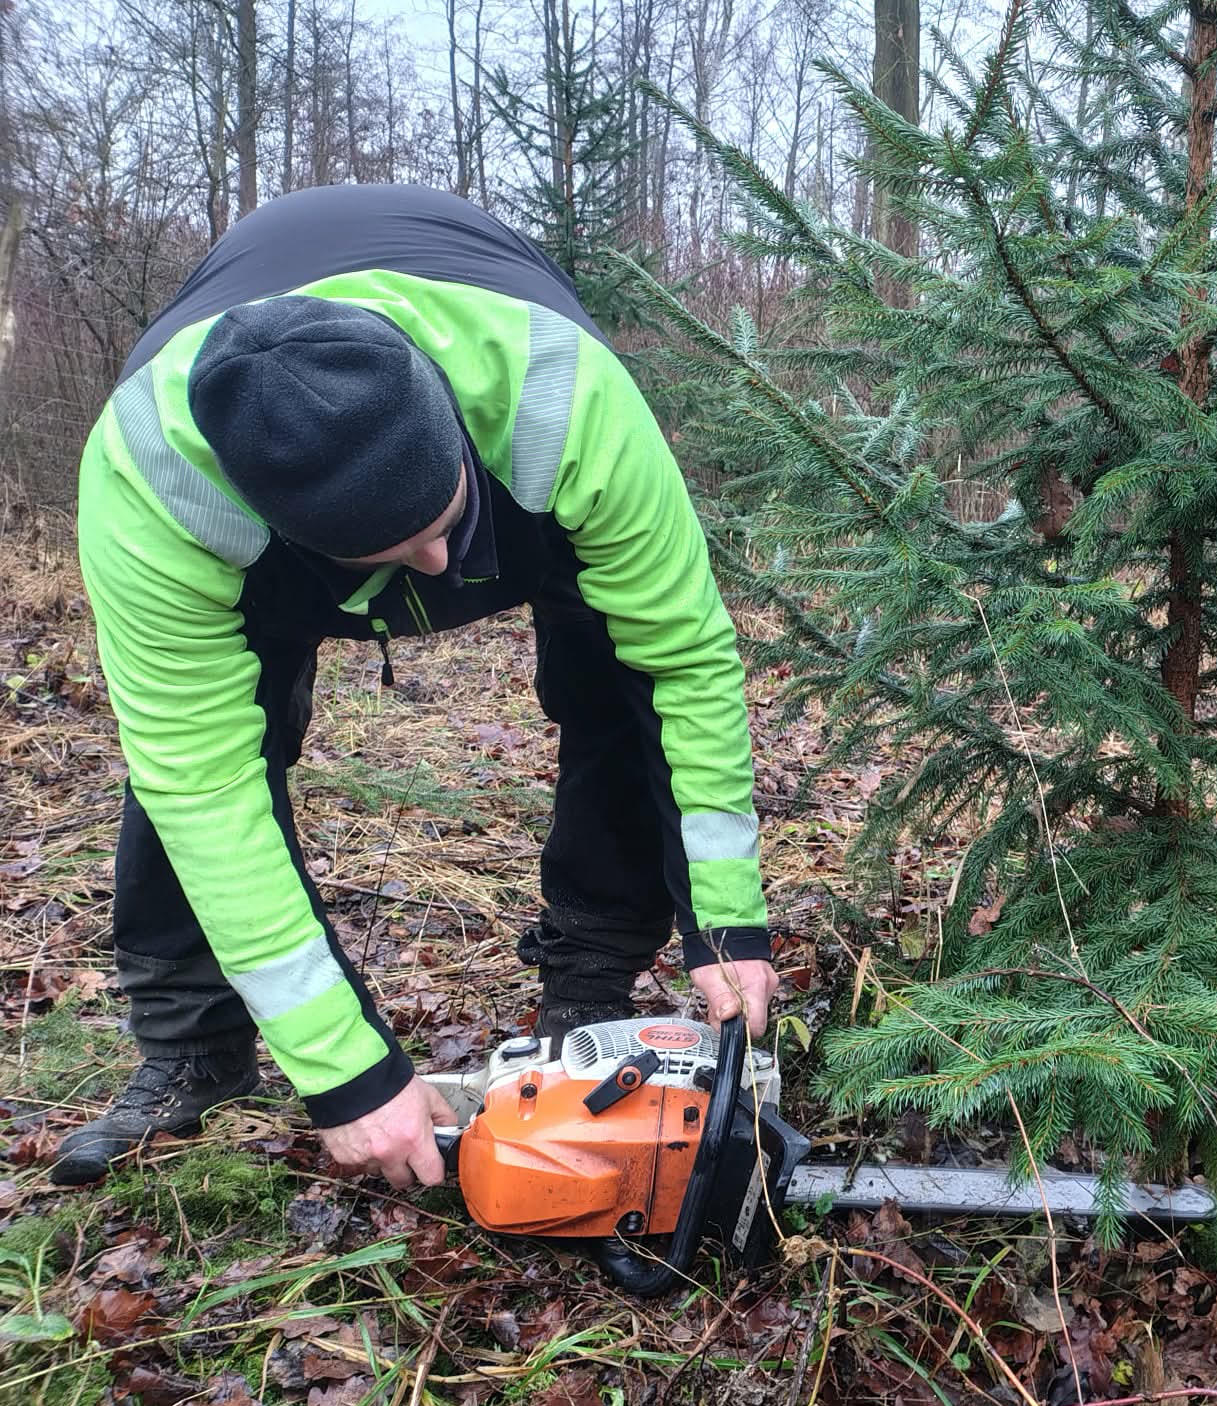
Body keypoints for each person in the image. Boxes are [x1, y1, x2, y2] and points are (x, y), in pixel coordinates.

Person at [51, 183, 777, 1192]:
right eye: (400, 551)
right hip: (258, 562)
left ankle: (587, 990)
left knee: (615, 692)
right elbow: (200, 784)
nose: (438, 567)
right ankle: (190, 1046)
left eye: (446, 523)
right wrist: (346, 1076)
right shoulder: (151, 484)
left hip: (522, 460)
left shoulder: (561, 397)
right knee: (204, 758)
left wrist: (726, 927)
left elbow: (684, 667)